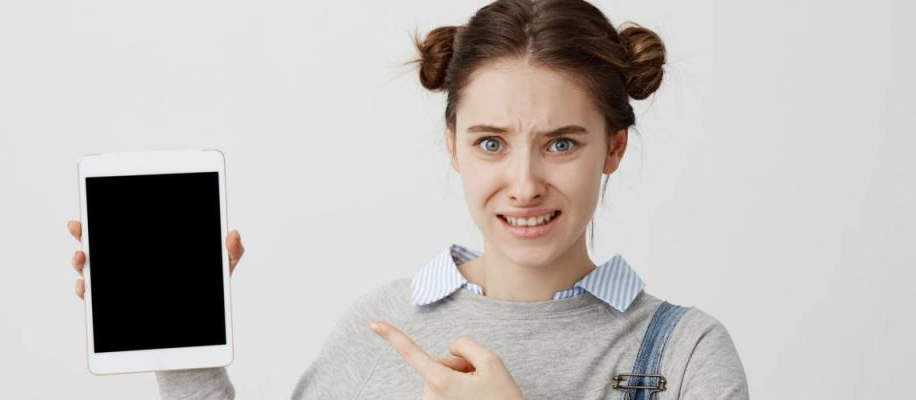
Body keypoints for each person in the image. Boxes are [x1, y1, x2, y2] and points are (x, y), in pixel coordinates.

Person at [67, 0, 749, 398]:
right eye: (490, 143)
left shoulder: (684, 356)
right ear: (451, 145)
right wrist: (186, 351)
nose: (524, 182)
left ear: (614, 149)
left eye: (562, 143)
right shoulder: (382, 328)